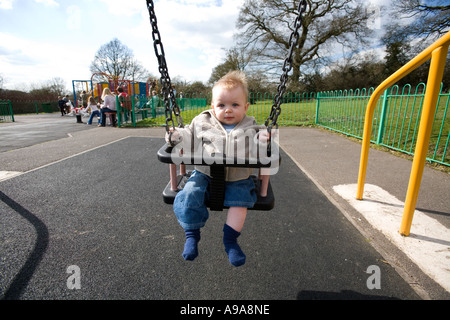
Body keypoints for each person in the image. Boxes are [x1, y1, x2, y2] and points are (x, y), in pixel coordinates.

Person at [166, 71, 270, 267]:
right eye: (221, 105)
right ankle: (191, 235)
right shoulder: (202, 121)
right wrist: (175, 135)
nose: (228, 110)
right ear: (213, 106)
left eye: (235, 105)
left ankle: (230, 241)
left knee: (242, 201)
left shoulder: (252, 125)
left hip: (239, 176)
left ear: (246, 107)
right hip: (205, 173)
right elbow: (187, 135)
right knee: (189, 193)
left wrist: (264, 139)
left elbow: (260, 146)